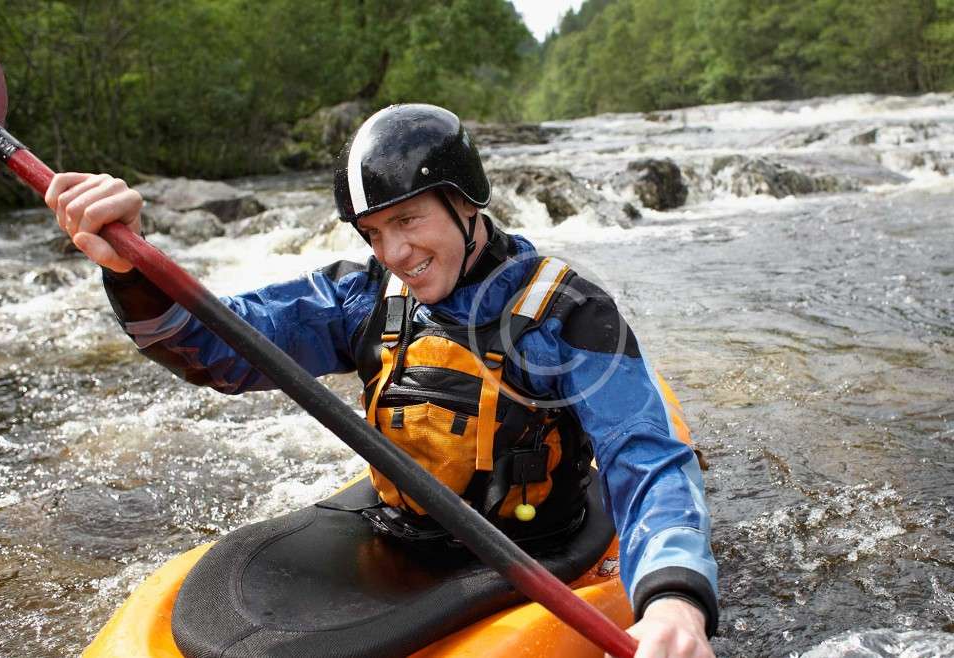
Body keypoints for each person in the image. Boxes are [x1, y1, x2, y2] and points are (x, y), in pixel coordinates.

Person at [46, 103, 718, 658]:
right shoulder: (364, 297)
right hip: (402, 533)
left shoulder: (566, 314)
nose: (395, 254)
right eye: (373, 232)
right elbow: (210, 346)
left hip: (530, 543)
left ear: (464, 203)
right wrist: (130, 270)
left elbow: (645, 459)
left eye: (408, 220)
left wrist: (676, 601)